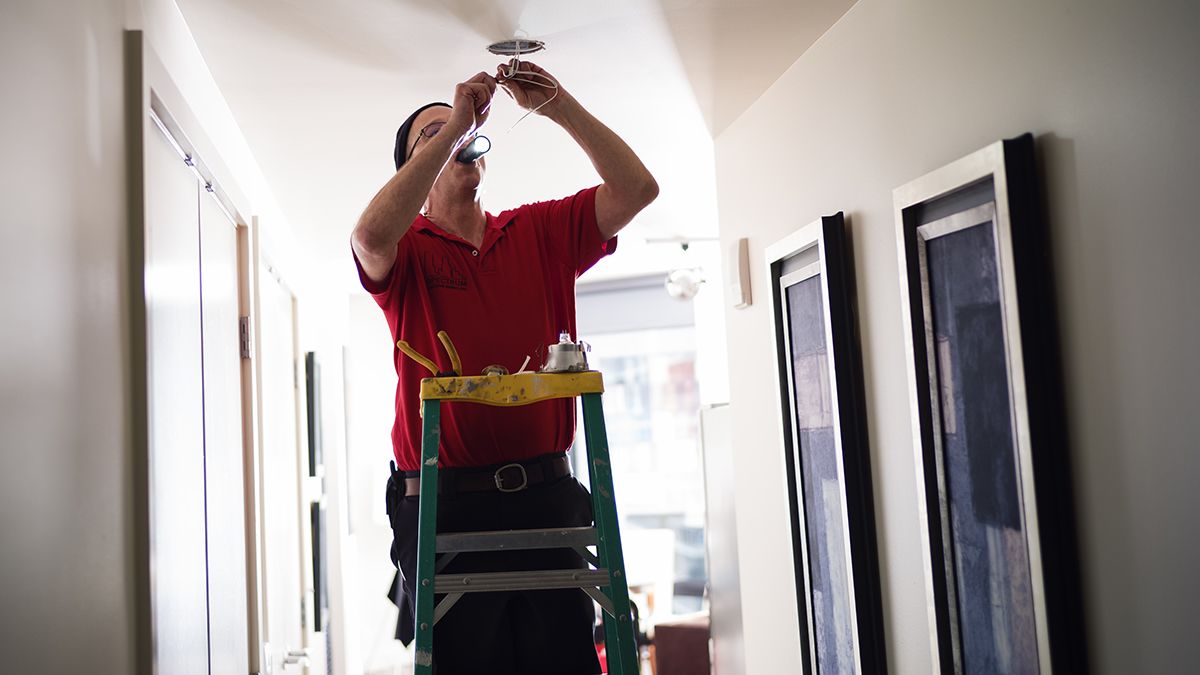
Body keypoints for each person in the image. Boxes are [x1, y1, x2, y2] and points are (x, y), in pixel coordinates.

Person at [350, 61, 658, 674]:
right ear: (418, 168)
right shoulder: (408, 248)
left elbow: (636, 189)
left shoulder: (535, 231)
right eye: (433, 137)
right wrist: (459, 116)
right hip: (444, 506)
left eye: (465, 135)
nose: (458, 140)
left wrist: (559, 106)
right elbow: (368, 237)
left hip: (545, 495)